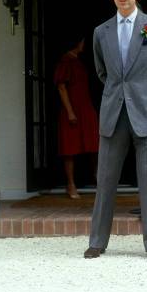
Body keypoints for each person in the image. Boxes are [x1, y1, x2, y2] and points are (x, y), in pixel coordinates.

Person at [84, 0, 147, 260]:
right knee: (105, 181)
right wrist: (120, 94)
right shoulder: (101, 32)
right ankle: (97, 241)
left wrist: (146, 94)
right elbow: (102, 72)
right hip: (114, 114)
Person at [54, 37, 99, 199]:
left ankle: (97, 178)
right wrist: (70, 111)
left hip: (85, 107)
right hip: (72, 108)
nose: (83, 44)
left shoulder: (78, 60)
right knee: (70, 148)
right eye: (81, 41)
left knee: (94, 143)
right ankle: (70, 184)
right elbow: (61, 86)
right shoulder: (66, 61)